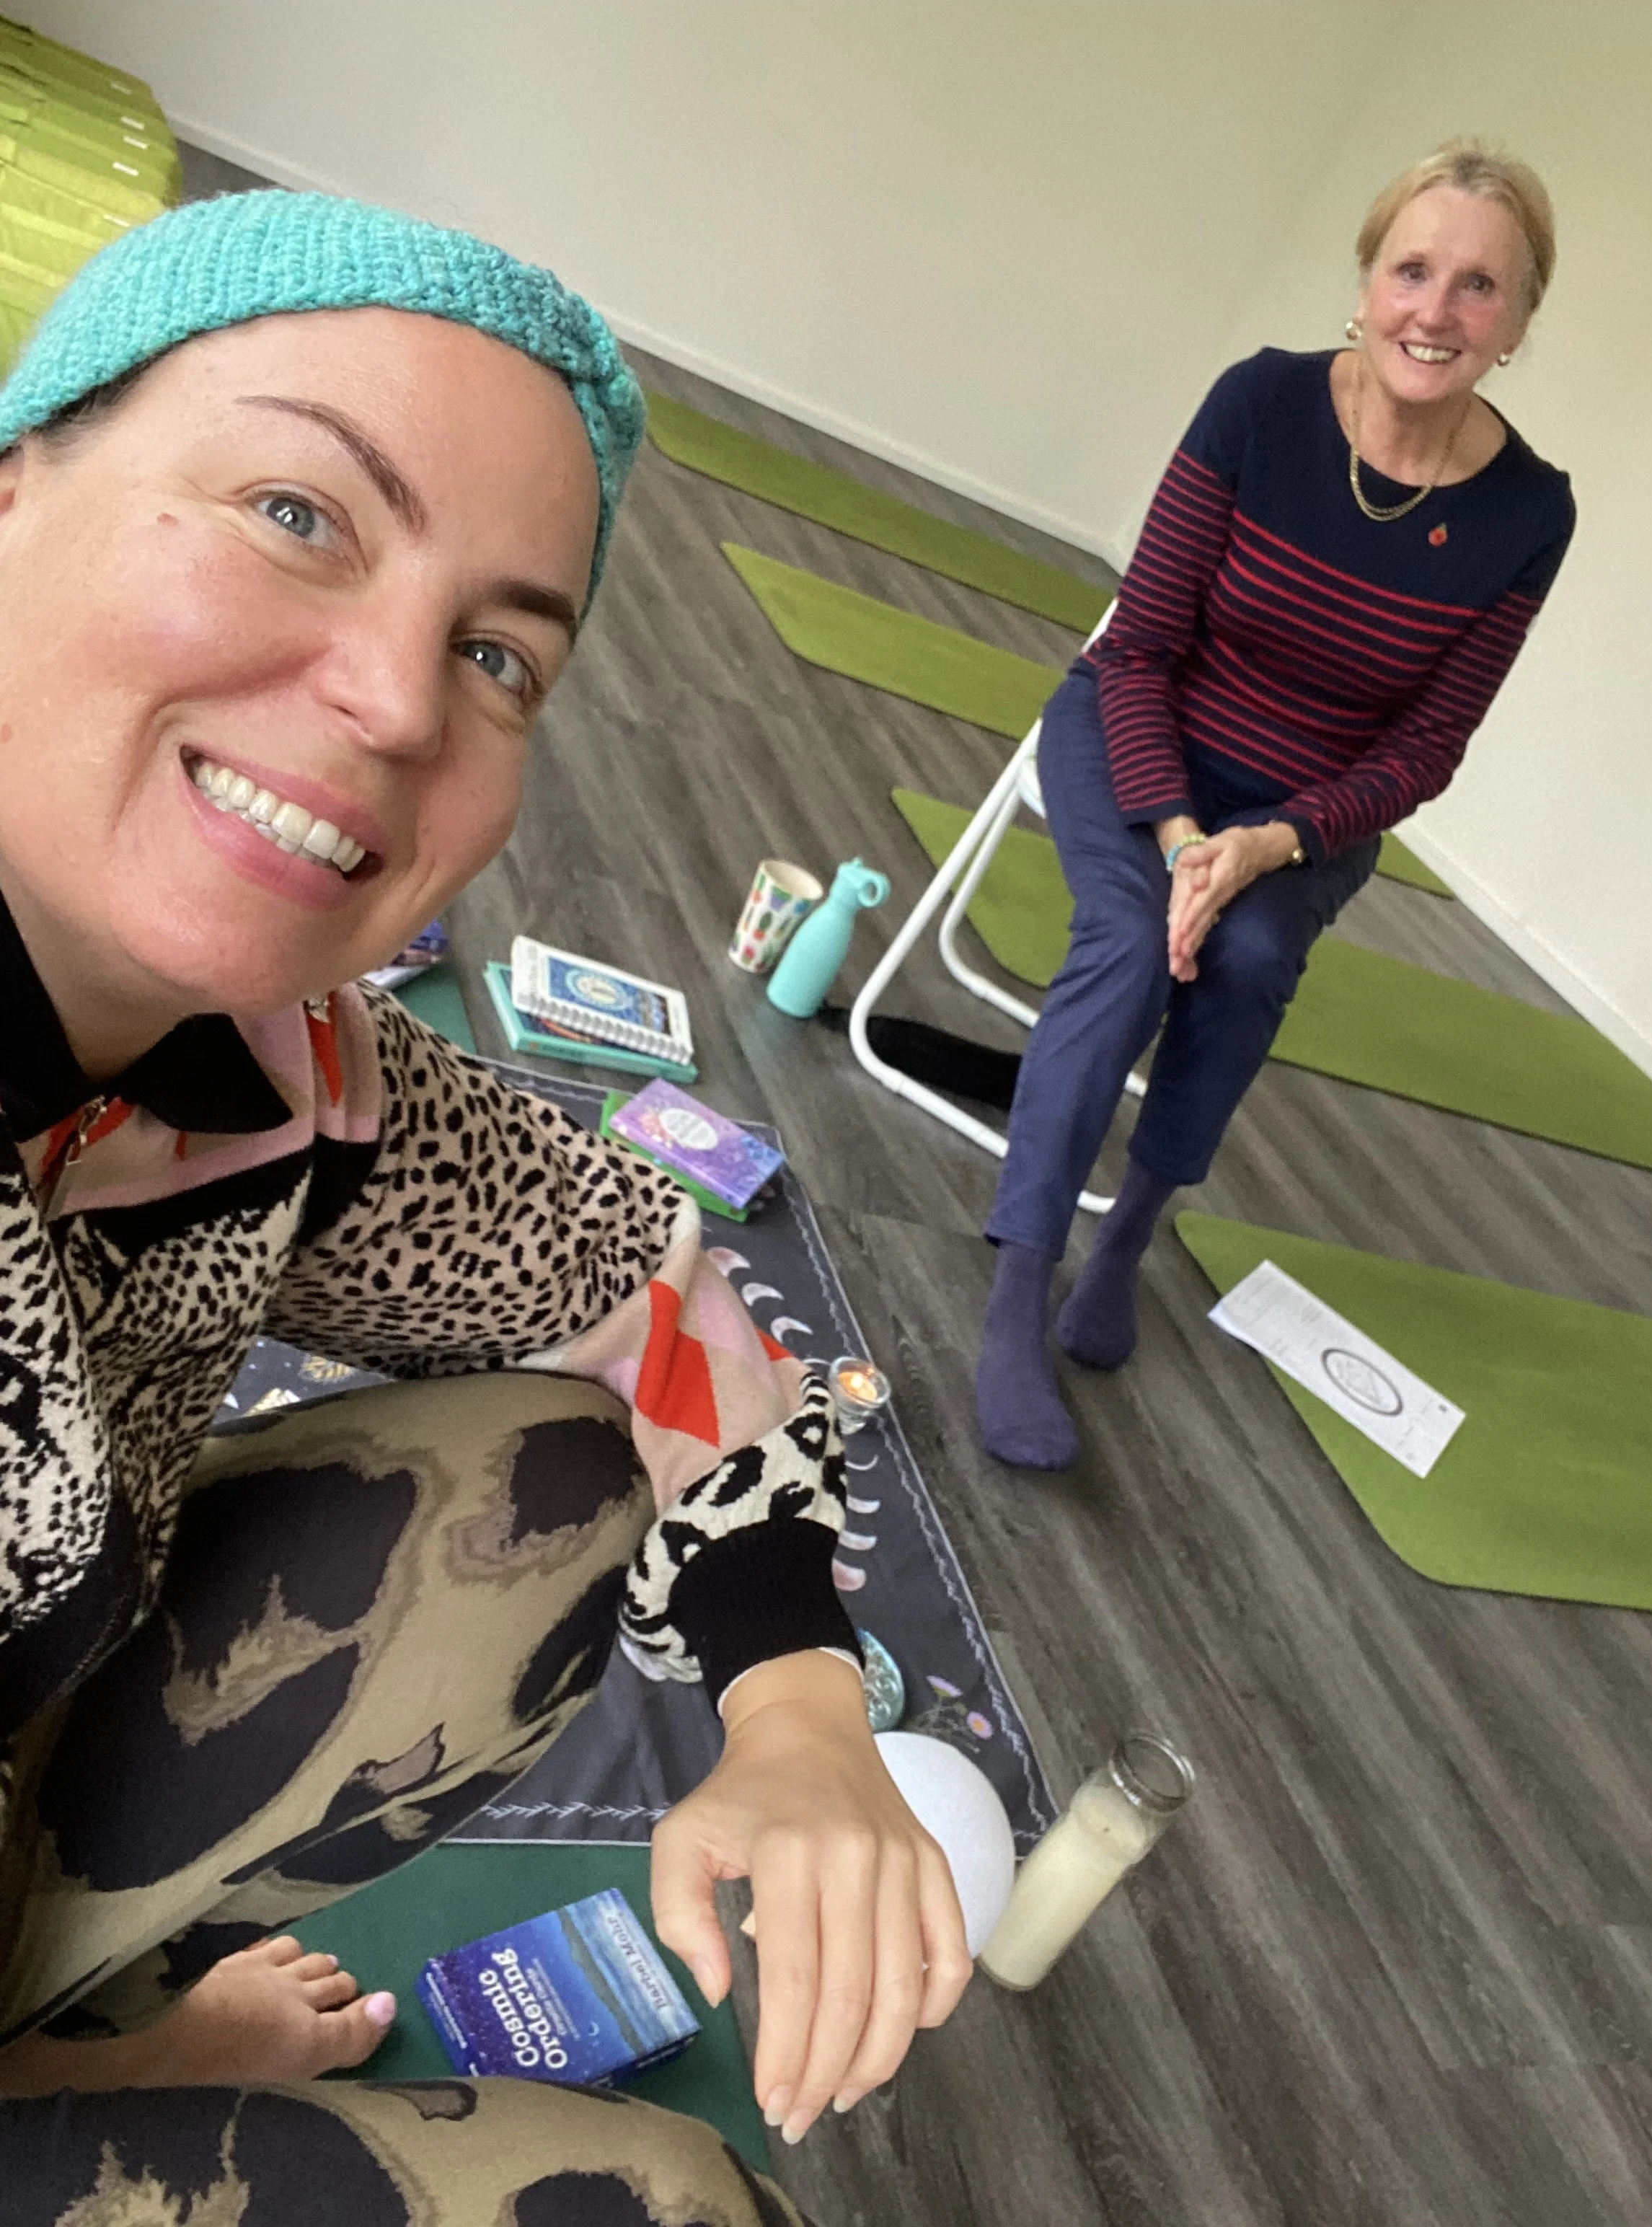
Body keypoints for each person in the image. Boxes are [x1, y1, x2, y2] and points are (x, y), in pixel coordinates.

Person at [0, 190, 970, 2223]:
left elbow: (660, 1296)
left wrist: (792, 1700)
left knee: (542, 1457)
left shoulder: (282, 1081)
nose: (396, 699)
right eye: (297, 510)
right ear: (19, 484)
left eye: (497, 648)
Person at [976, 140, 1576, 1470]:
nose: (1437, 308)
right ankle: (1018, 1291)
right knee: (1134, 941)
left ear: (1518, 321)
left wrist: (1270, 844)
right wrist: (1188, 836)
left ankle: (1126, 1235)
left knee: (1247, 957)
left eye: (1479, 285)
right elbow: (1134, 648)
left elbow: (1428, 748)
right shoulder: (1261, 404)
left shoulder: (1531, 511)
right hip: (1148, 732)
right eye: (1413, 268)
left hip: (1311, 807)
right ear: (1366, 281)